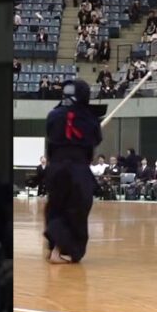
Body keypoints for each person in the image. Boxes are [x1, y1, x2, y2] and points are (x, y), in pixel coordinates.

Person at [43, 80, 102, 263]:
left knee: (56, 205)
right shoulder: (90, 118)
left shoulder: (53, 115)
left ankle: (55, 247)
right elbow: (95, 141)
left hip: (56, 168)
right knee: (76, 208)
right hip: (77, 169)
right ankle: (62, 250)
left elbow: (51, 142)